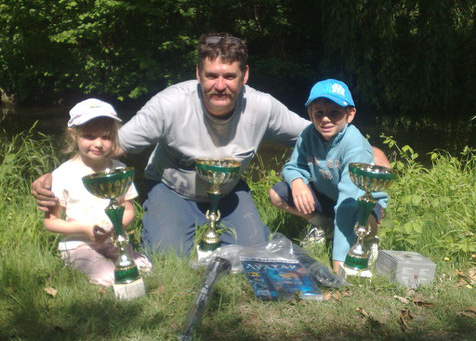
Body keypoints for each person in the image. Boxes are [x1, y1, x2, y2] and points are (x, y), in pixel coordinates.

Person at [33, 33, 388, 258]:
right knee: (168, 258)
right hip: (171, 189)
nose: (221, 85)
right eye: (212, 75)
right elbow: (112, 146)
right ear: (198, 74)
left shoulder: (262, 106)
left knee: (254, 255)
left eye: (230, 76)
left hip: (231, 192)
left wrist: (372, 155)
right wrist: (55, 176)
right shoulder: (168, 104)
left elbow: (317, 130)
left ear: (244, 76)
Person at [268, 79, 389, 273]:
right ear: (310, 114)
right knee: (277, 193)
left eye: (334, 112)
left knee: (362, 220)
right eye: (319, 113)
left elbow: (347, 202)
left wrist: (338, 262)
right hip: (328, 196)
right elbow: (292, 167)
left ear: (350, 114)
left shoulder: (354, 145)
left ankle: (364, 240)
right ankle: (326, 227)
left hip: (360, 201)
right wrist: (297, 181)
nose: (326, 119)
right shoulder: (307, 135)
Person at [43, 98, 151, 286]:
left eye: (106, 137)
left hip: (113, 240)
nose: (98, 143)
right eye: (90, 136)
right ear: (73, 135)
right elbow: (51, 222)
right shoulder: (62, 174)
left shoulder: (119, 170)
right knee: (109, 277)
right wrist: (85, 230)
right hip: (78, 244)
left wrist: (115, 228)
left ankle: (123, 260)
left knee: (142, 269)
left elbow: (128, 209)